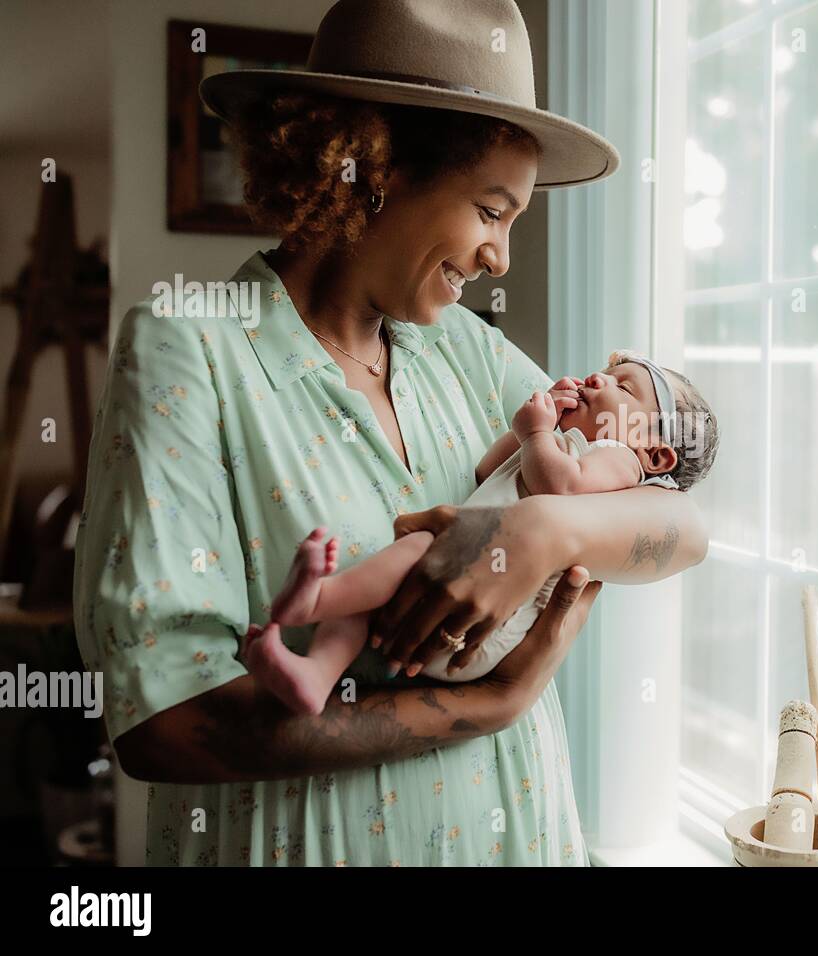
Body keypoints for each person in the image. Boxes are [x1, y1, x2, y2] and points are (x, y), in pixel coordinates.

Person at [72, 0, 707, 866]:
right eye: (491, 211)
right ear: (368, 170)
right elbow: (162, 724)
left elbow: (684, 529)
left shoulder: (467, 352)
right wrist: (482, 706)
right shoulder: (190, 349)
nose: (500, 258)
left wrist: (540, 529)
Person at [245, 352, 719, 714]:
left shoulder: (619, 460)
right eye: (607, 372)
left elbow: (561, 487)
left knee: (417, 547)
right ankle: (317, 674)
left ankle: (316, 599)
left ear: (655, 453)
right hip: (455, 614)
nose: (599, 379)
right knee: (373, 596)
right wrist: (531, 429)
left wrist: (538, 437)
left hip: (486, 628)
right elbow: (486, 469)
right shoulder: (569, 446)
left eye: (624, 388)